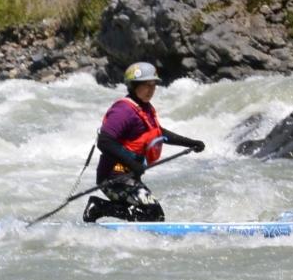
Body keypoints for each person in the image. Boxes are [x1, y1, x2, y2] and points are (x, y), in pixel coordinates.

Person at [82, 62, 206, 222]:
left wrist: (190, 143)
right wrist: (132, 163)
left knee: (150, 214)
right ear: (133, 85)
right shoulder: (123, 110)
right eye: (146, 85)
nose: (151, 90)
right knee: (155, 215)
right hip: (113, 177)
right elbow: (104, 141)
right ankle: (98, 208)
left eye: (153, 85)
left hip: (128, 175)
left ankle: (99, 208)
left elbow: (159, 134)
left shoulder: (145, 108)